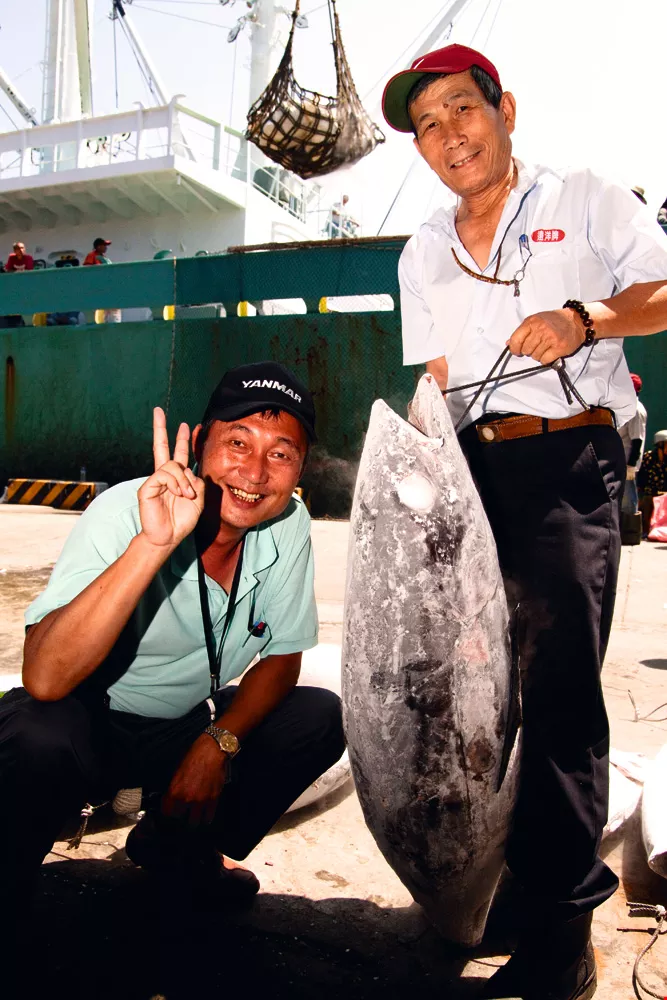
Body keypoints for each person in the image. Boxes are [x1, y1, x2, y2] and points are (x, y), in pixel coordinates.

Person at [382, 43, 667, 999]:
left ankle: (560, 932)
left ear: (504, 110)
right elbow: (436, 380)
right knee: (476, 694)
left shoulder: (584, 197)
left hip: (563, 460)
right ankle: (511, 887)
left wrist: (585, 319)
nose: (448, 135)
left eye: (461, 109)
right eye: (427, 125)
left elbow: (663, 294)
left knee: (555, 701)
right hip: (468, 476)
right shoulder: (422, 248)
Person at [0, 362, 344, 949]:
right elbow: (46, 677)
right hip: (88, 721)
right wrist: (153, 544)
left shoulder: (287, 523)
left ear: (301, 468)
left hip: (184, 727)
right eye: (238, 443)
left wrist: (218, 743)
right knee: (36, 734)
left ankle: (175, 847)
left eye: (281, 454)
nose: (255, 472)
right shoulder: (124, 510)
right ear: (201, 441)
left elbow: (283, 655)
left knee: (316, 718)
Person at [619, 373, 647, 532]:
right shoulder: (627, 407)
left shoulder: (635, 410)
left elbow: (637, 440)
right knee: (623, 497)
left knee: (628, 499)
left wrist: (631, 465)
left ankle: (631, 533)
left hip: (627, 461)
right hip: (621, 459)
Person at [83, 238, 121, 323]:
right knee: (100, 311)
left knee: (111, 312)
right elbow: (87, 270)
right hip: (97, 288)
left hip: (107, 287)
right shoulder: (92, 255)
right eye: (104, 245)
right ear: (98, 246)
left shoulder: (104, 257)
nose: (106, 247)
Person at [637, 429, 667, 536]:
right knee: (647, 500)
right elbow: (641, 480)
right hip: (651, 493)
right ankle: (645, 529)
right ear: (660, 445)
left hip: (665, 494)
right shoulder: (648, 458)